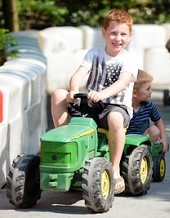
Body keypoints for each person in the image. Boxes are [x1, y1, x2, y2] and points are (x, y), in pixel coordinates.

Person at [51, 9, 138, 194]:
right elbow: (79, 74)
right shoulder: (94, 53)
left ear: (130, 37)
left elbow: (122, 83)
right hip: (90, 104)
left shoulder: (129, 59)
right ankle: (66, 145)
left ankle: (115, 169)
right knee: (58, 94)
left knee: (115, 117)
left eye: (123, 34)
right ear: (104, 33)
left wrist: (102, 94)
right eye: (113, 33)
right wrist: (73, 90)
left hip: (116, 106)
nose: (118, 38)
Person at [126, 70, 168, 154]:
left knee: (155, 130)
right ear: (135, 93)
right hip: (125, 138)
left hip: (144, 137)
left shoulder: (149, 106)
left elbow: (158, 120)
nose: (151, 91)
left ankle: (145, 150)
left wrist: (163, 139)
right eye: (148, 89)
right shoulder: (124, 106)